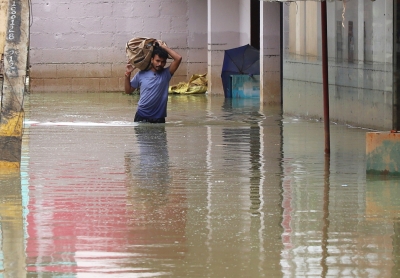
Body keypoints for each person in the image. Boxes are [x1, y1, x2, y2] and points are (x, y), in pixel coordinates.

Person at [124, 44, 182, 123]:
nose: (159, 64)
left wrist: (164, 47)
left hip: (159, 118)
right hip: (141, 116)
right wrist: (127, 74)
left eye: (163, 62)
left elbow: (178, 58)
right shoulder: (141, 74)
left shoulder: (166, 74)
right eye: (157, 61)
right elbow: (128, 91)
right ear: (152, 60)